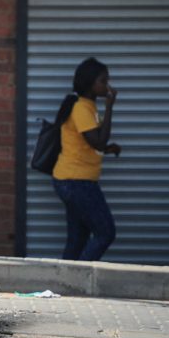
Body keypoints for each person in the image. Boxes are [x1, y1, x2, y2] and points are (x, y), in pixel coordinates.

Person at [52, 57, 121, 261]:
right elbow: (97, 142)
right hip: (76, 182)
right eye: (103, 81)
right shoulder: (81, 108)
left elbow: (87, 144)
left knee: (77, 238)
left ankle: (64, 282)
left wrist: (108, 149)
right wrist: (110, 106)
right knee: (105, 232)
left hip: (74, 180)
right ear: (90, 83)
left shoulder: (87, 106)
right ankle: (79, 279)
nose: (107, 85)